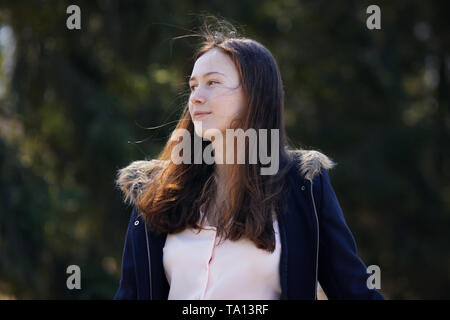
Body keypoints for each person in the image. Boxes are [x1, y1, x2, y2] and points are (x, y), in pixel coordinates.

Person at [113, 23, 384, 300]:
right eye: (193, 86)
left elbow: (355, 292)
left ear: (254, 94)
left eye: (212, 83)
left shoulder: (304, 188)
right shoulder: (158, 192)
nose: (195, 97)